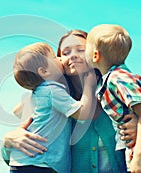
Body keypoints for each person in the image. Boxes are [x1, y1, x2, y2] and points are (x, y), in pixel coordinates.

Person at [2, 29, 141, 173]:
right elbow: (25, 158)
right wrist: (8, 143)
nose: (73, 56)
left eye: (80, 50)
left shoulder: (118, 92)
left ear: (96, 54)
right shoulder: (59, 105)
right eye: (65, 52)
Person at [85, 24, 141, 172]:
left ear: (95, 55)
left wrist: (138, 155)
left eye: (85, 47)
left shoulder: (118, 79)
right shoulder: (108, 81)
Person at [8, 42, 96, 173]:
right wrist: (89, 85)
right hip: (40, 163)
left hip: (23, 162)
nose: (60, 59)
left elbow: (17, 111)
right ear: (44, 71)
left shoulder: (39, 91)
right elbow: (82, 114)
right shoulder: (52, 90)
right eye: (55, 57)